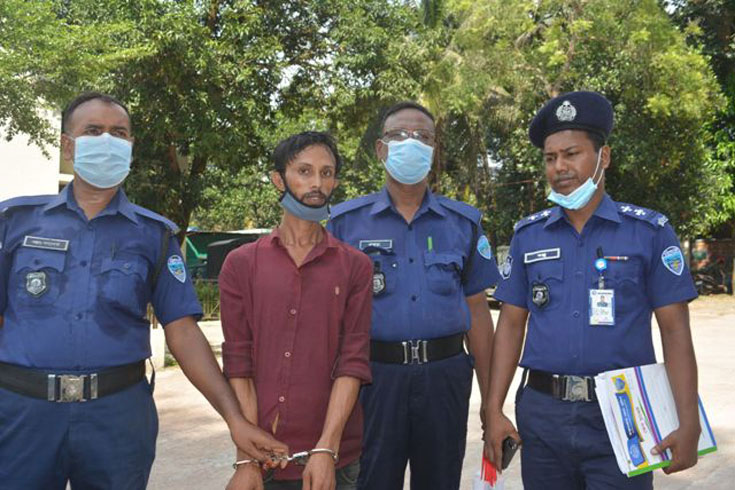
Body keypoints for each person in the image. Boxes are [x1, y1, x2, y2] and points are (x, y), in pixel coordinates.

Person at [0, 92, 284, 489]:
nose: (107, 141)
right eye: (93, 131)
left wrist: (234, 419)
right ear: (68, 145)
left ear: (130, 147)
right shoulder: (16, 223)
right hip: (22, 414)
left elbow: (182, 331)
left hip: (116, 418)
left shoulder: (153, 234)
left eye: (119, 133)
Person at [485, 91, 700, 490]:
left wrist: (689, 423)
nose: (560, 167)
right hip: (543, 412)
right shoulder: (528, 236)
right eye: (550, 158)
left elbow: (675, 331)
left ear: (604, 157)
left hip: (622, 414)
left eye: (572, 154)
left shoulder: (648, 233)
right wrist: (492, 410)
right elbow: (511, 326)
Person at [328, 101, 501, 490]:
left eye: (423, 137)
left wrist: (491, 403)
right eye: (399, 136)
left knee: (440, 481)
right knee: (372, 480)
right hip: (373, 380)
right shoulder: (344, 224)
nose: (411, 144)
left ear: (434, 150)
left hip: (445, 377)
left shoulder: (463, 224)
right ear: (380, 149)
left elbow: (478, 315)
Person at [220, 131, 373, 490]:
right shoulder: (240, 264)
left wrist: (327, 448)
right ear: (278, 180)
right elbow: (239, 361)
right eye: (304, 171)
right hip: (263, 460)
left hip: (334, 461)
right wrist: (247, 457)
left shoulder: (355, 266)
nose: (317, 183)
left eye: (327, 172)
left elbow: (353, 361)